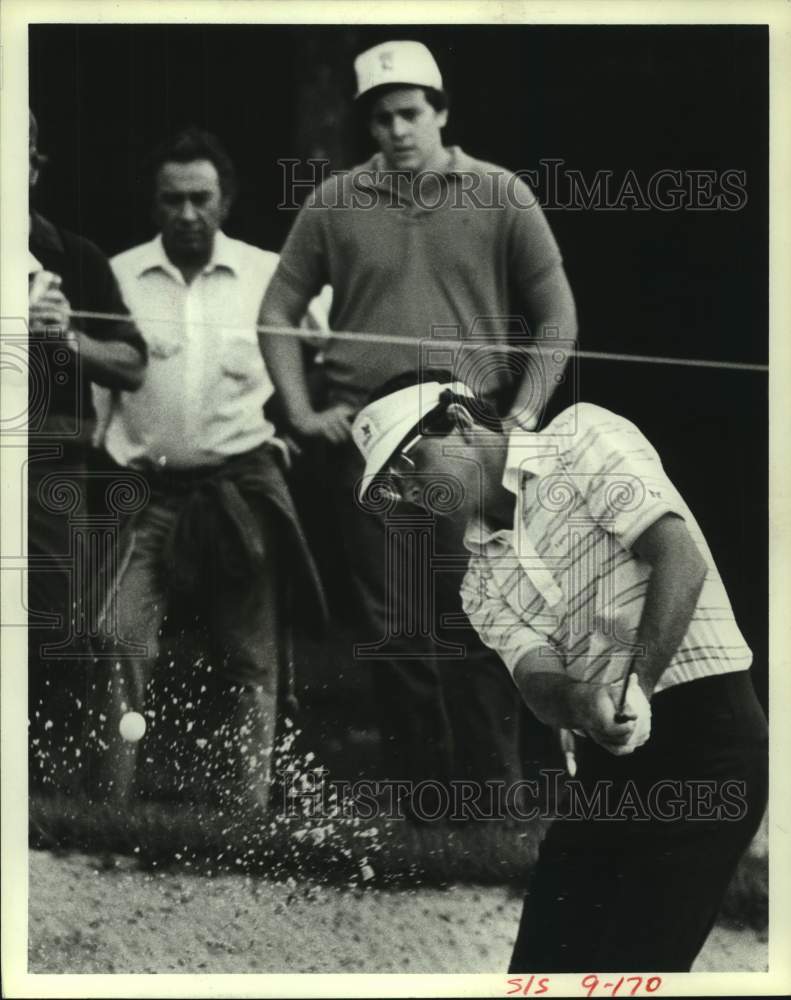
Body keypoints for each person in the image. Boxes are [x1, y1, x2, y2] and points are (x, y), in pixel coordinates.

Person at [349, 376, 767, 971]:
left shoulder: (579, 436)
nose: (406, 487)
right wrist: (582, 701)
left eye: (407, 462)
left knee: (631, 972)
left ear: (461, 423)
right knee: (540, 973)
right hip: (607, 772)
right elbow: (537, 680)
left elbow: (678, 556)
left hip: (709, 739)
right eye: (391, 482)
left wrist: (636, 685)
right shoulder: (478, 580)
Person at [258, 40, 578, 796]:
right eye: (380, 118)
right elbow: (276, 311)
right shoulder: (335, 201)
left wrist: (525, 410)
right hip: (367, 433)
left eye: (409, 113)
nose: (396, 131)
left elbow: (555, 311)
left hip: (466, 427)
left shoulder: (499, 193)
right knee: (390, 623)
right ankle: (420, 802)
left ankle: (490, 796)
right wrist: (302, 411)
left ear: (440, 111)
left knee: (478, 612)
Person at [88, 128, 327, 809]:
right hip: (147, 492)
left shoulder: (269, 275)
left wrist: (304, 423)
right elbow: (94, 389)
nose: (186, 214)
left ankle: (245, 809)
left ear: (226, 201)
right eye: (171, 200)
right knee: (118, 639)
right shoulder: (117, 275)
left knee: (249, 656)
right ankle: (106, 808)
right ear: (153, 204)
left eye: (200, 198)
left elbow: (340, 348)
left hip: (239, 486)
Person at [27, 109, 148, 793]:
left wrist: (69, 335)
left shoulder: (75, 257)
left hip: (49, 470)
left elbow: (133, 362)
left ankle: (49, 785)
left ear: (35, 167)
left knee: (58, 632)